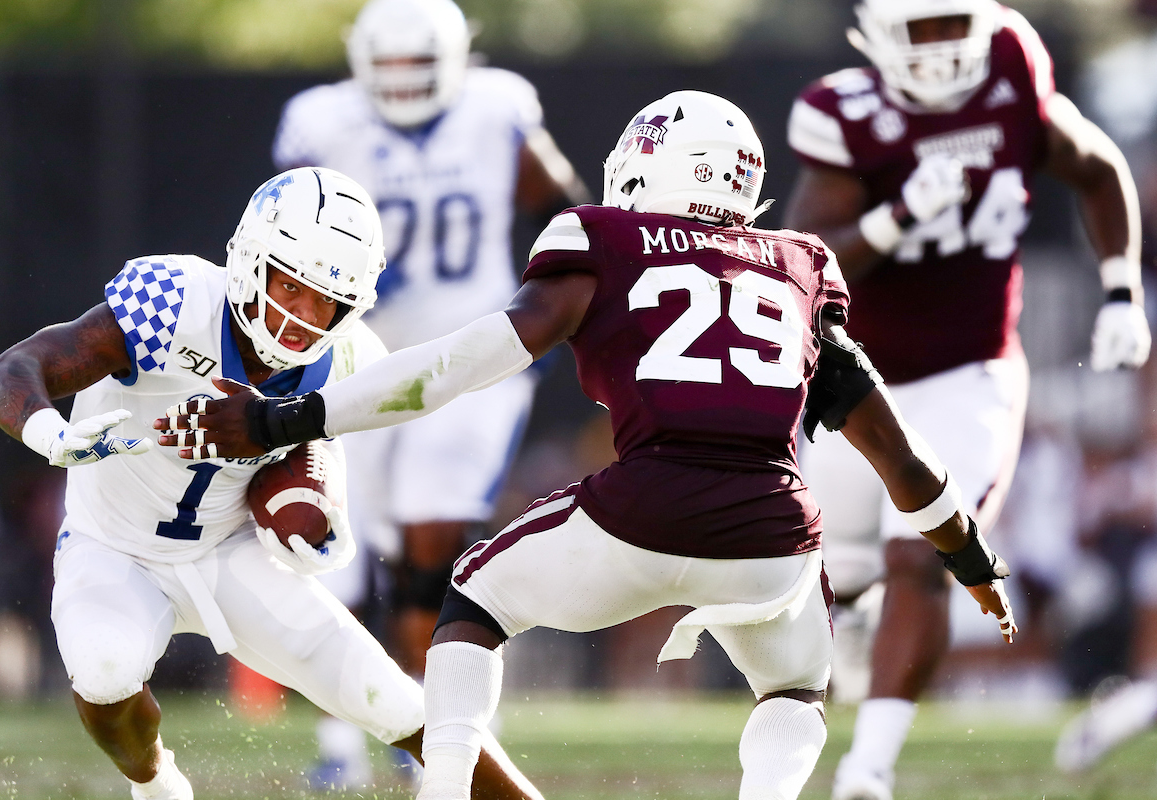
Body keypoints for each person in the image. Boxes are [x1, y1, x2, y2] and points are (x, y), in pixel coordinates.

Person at [153, 91, 1018, 800]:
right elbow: (900, 456)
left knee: (470, 606)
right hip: (772, 531)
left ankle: (445, 789)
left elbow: (457, 366)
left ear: (644, 166)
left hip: (640, 507)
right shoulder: (796, 265)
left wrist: (283, 419)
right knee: (796, 689)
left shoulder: (602, 243)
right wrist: (972, 560)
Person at [0, 166, 542, 800]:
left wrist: (316, 514)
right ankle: (158, 783)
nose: (303, 315)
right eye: (289, 285)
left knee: (386, 696)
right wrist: (47, 432)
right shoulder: (174, 301)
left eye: (326, 300)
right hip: (113, 545)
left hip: (231, 548)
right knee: (105, 673)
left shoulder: (351, 357)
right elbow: (15, 368)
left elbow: (331, 456)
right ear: (249, 260)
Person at [782, 1, 1150, 797]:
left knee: (921, 552)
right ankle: (857, 620)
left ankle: (866, 771)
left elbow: (1095, 165)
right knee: (830, 571)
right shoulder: (842, 111)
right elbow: (806, 264)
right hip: (853, 378)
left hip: (969, 369)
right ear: (878, 32)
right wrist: (899, 216)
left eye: (957, 23)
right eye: (924, 27)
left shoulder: (1012, 66)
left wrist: (1122, 290)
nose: (945, 47)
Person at [272, 0, 590, 680]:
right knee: (339, 545)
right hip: (356, 356)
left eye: (417, 60)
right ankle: (344, 740)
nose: (403, 76)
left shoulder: (496, 109)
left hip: (474, 350)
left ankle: (429, 721)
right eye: (389, 62)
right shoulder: (321, 121)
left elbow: (567, 215)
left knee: (431, 537)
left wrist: (553, 312)